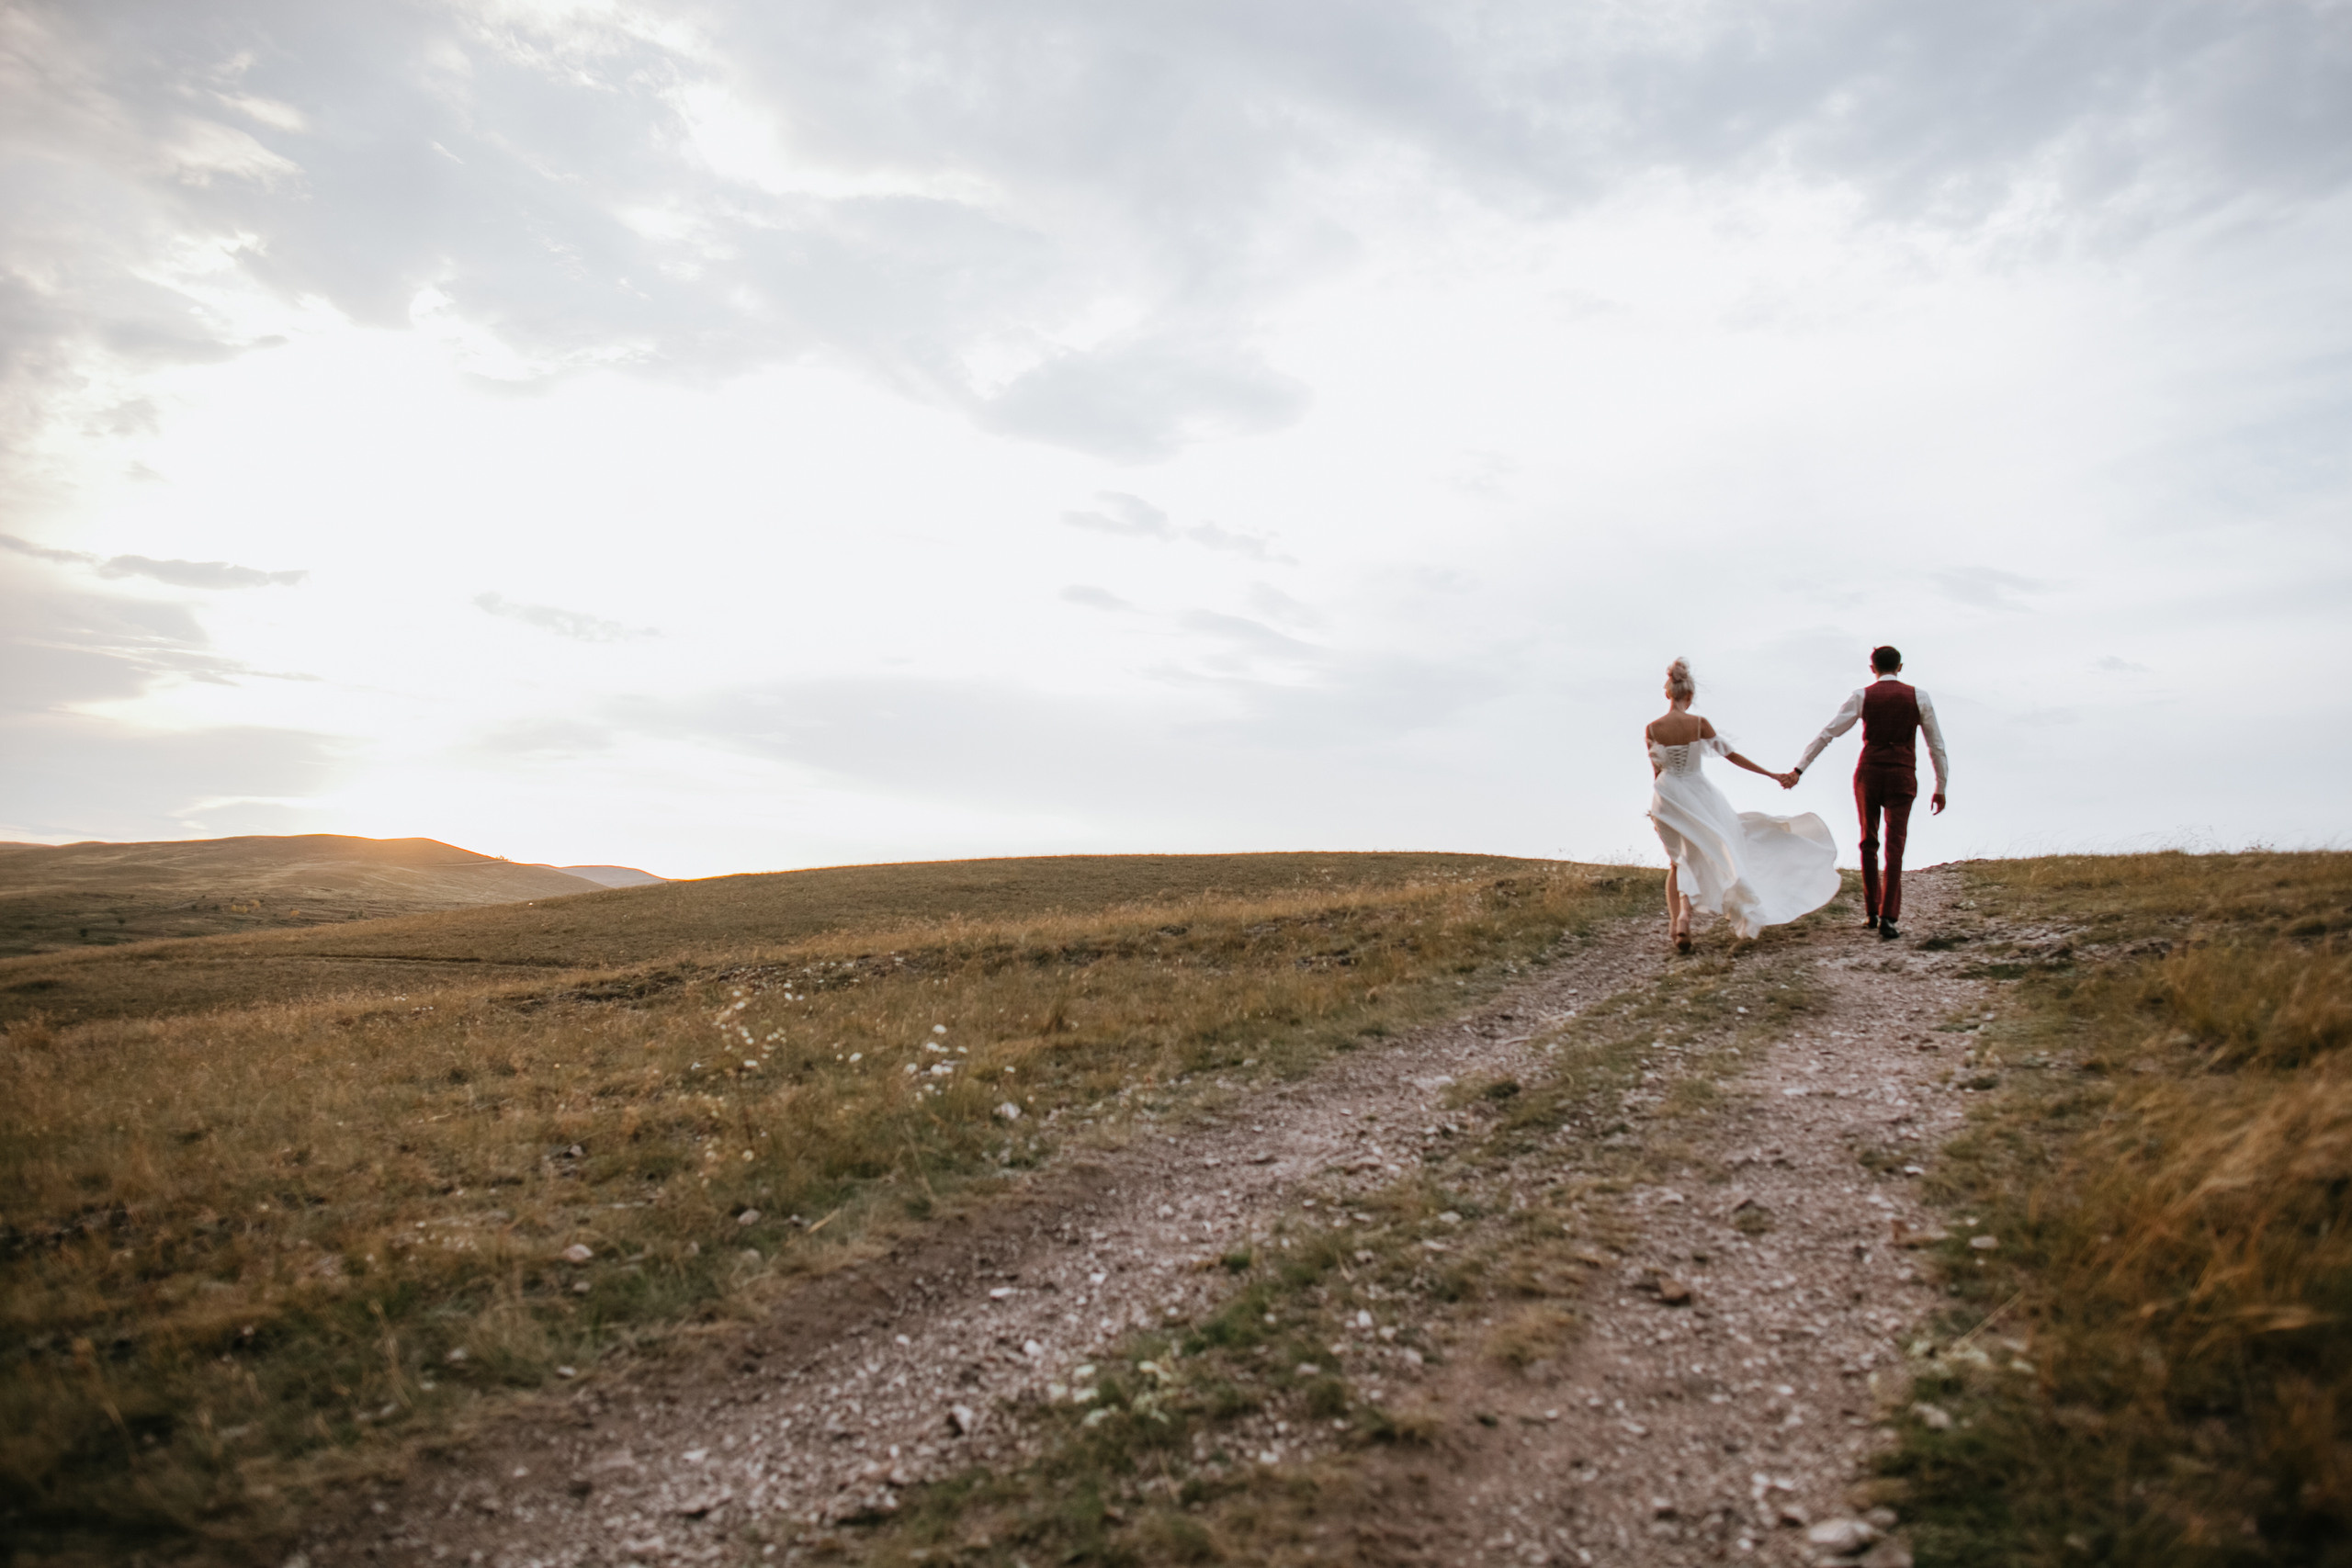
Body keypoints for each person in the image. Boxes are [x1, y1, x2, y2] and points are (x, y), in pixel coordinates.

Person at [1645, 658, 1840, 953]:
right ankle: (1686, 916)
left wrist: (1657, 808)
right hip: (1698, 793)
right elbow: (1732, 756)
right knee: (1722, 845)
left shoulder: (1652, 728)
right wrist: (1772, 774)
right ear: (1691, 695)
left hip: (1667, 796)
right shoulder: (1698, 724)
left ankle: (1680, 921)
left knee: (1677, 861)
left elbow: (1657, 772)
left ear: (1668, 693)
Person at [1788, 645, 1950, 942]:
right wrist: (1941, 786)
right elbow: (1935, 745)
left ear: (1872, 668)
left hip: (1869, 774)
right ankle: (1889, 916)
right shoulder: (1919, 697)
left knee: (1868, 841)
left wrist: (1799, 769)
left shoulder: (1862, 696)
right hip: (1902, 775)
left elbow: (1829, 733)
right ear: (1900, 667)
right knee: (1895, 845)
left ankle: (1871, 912)